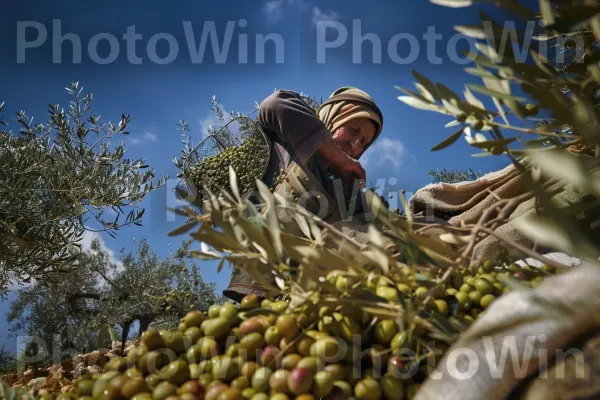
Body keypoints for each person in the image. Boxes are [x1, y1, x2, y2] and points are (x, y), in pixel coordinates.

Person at [223, 87, 384, 302]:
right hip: (261, 279)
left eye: (364, 142)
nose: (356, 145)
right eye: (353, 130)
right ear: (333, 116)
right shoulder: (295, 141)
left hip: (304, 297)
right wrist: (340, 158)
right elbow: (274, 104)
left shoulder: (347, 187)